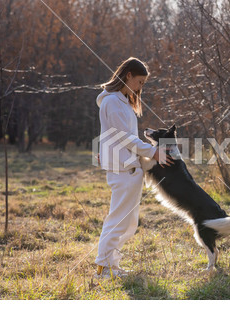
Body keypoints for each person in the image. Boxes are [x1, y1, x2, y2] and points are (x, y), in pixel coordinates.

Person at [95, 57, 173, 278]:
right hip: (122, 171)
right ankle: (103, 269)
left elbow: (118, 136)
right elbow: (125, 138)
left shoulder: (122, 101)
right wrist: (153, 151)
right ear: (128, 75)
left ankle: (113, 266)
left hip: (130, 168)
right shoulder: (111, 101)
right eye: (139, 82)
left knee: (129, 224)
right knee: (118, 221)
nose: (141, 88)